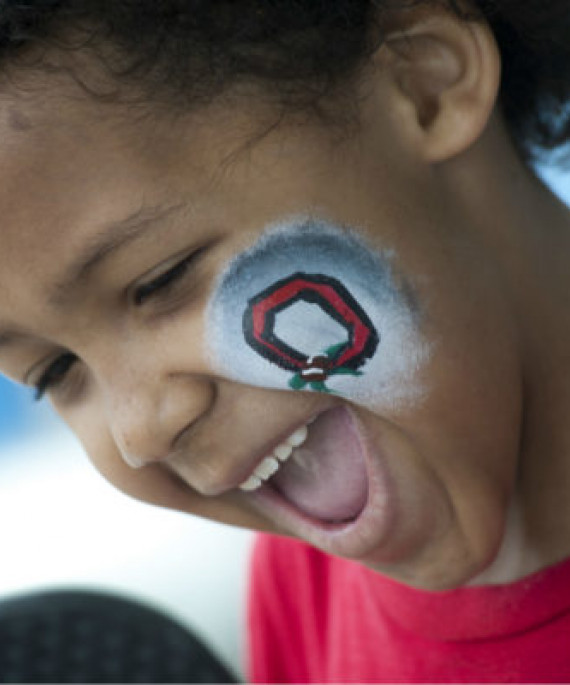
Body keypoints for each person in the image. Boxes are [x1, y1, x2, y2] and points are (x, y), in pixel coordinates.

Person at [0, 1, 569, 681]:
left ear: (423, 86)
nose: (140, 433)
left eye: (162, 279)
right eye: (56, 370)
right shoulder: (302, 586)